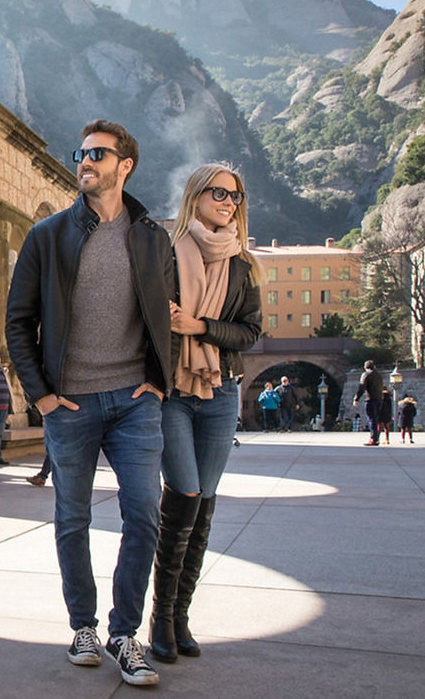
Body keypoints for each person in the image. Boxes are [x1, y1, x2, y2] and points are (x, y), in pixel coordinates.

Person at [6, 119, 173, 687]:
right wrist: (44, 397)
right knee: (72, 518)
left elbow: (163, 317)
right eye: (82, 152)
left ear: (125, 166)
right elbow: (18, 322)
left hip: (134, 402)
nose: (85, 161)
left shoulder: (152, 238)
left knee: (145, 514)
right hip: (69, 405)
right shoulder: (47, 236)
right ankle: (82, 626)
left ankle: (125, 635)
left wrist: (159, 378)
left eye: (98, 153)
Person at [150, 163, 262, 665]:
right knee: (185, 496)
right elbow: (147, 323)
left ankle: (180, 617)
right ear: (195, 195)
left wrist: (199, 325)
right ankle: (159, 617)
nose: (228, 202)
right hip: (174, 391)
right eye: (219, 192)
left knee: (206, 501)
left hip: (221, 391)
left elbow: (250, 333)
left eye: (235, 196)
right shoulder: (166, 253)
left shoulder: (244, 265)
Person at [353, 361, 385, 446]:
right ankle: (376, 438)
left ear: (365, 367)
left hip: (370, 399)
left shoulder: (366, 375)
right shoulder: (378, 375)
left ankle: (373, 439)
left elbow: (362, 387)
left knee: (372, 419)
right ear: (374, 366)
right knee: (376, 419)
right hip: (379, 399)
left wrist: (356, 399)